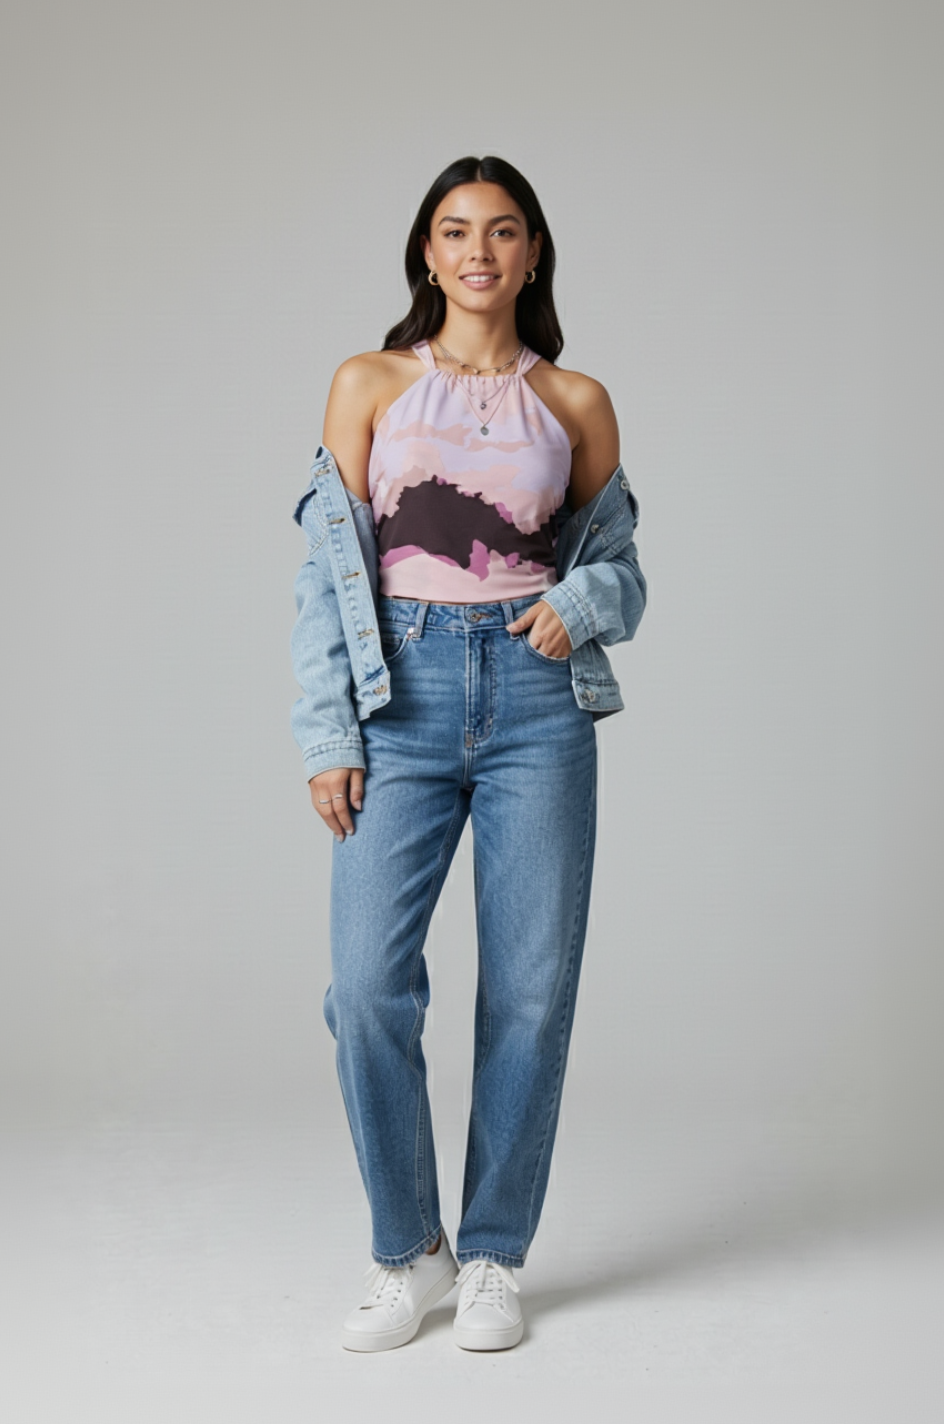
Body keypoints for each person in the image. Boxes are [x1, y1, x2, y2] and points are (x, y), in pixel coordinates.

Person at [289, 155, 647, 1352]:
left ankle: (492, 1252)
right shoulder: (368, 383)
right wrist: (328, 731)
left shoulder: (578, 401)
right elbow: (319, 574)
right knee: (366, 990)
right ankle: (410, 1252)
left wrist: (580, 603)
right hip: (402, 694)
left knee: (532, 992)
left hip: (537, 701)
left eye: (501, 231)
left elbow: (622, 569)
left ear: (532, 252)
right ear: (426, 253)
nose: (478, 251)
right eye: (454, 231)